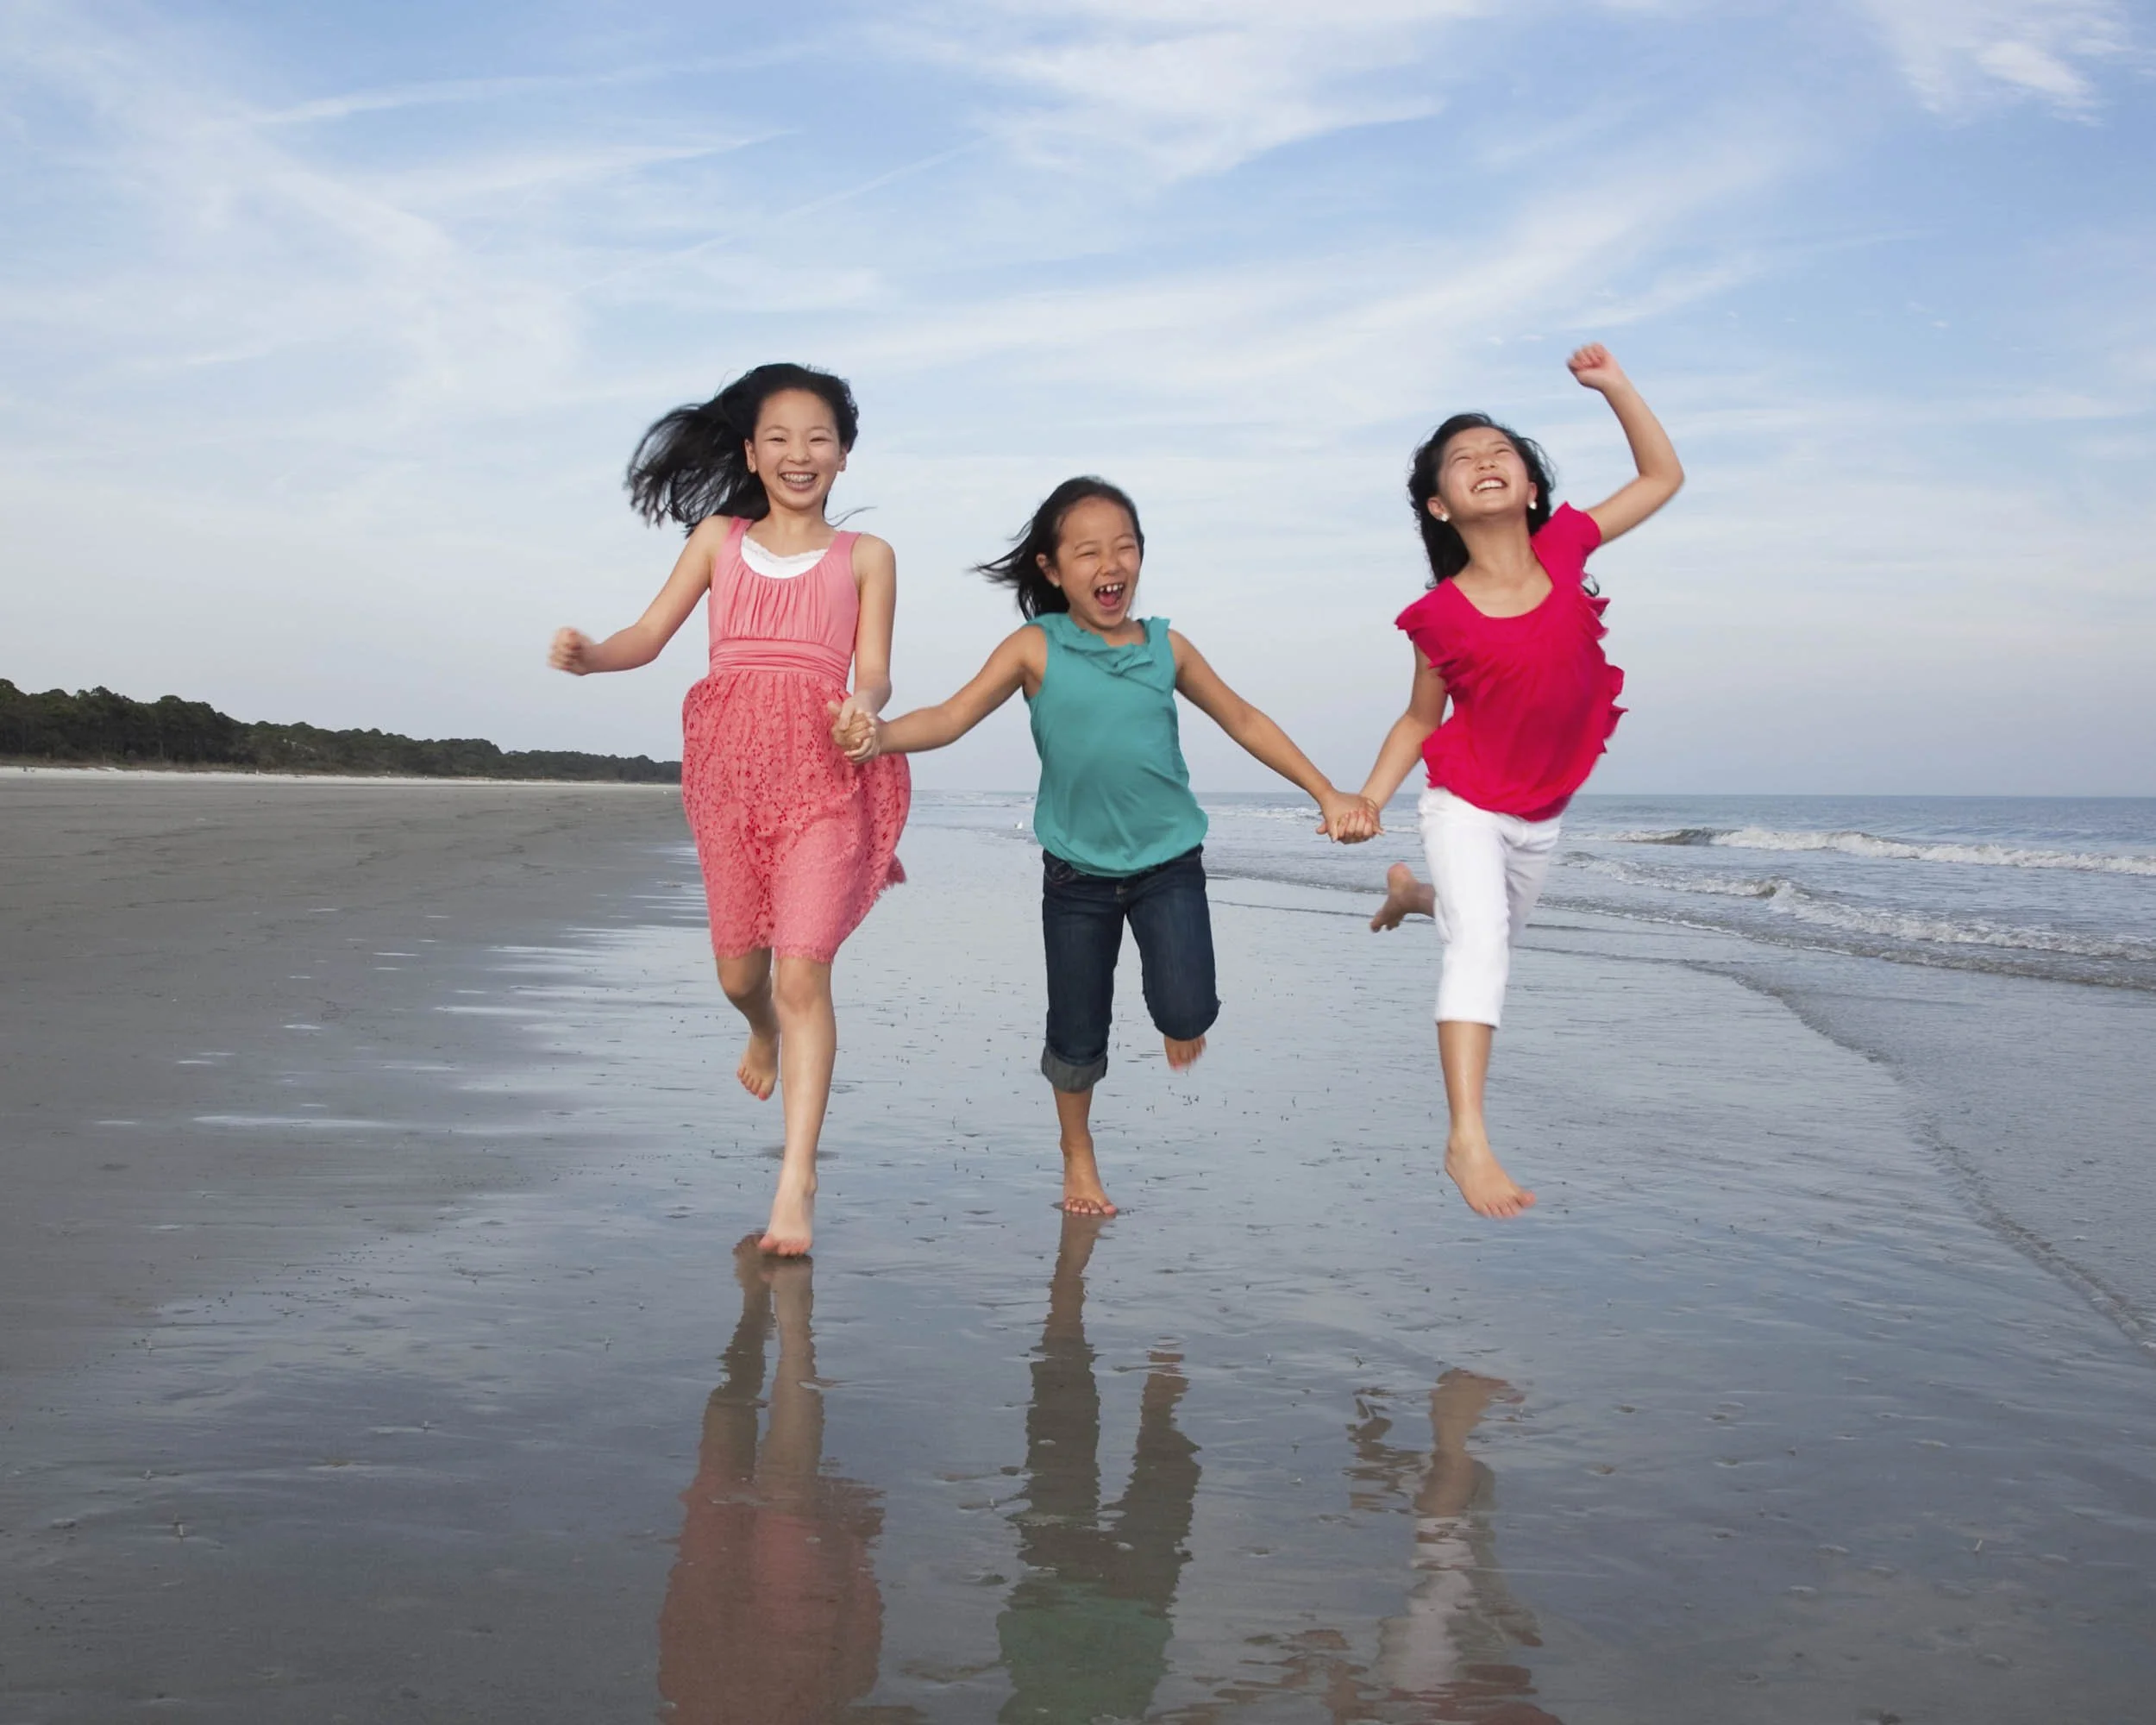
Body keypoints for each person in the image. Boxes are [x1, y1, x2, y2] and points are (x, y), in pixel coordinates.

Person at [836, 477, 1376, 1216]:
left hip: (1168, 867)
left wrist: (1327, 792)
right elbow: (953, 716)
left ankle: (1176, 1020)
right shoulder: (1036, 648)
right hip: (1076, 877)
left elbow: (1245, 720)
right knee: (1077, 1030)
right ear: (1052, 569)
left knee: (1187, 1011)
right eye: (1087, 551)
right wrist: (882, 736)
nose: (1110, 563)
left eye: (1125, 547)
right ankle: (1078, 1154)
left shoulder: (1166, 647)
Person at [550, 362, 909, 1257]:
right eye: (779, 437)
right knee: (743, 979)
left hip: (823, 774)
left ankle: (797, 1179)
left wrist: (863, 707)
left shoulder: (867, 556)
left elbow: (873, 669)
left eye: (818, 438)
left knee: (802, 974)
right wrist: (594, 656)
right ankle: (760, 1033)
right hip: (728, 776)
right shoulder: (718, 539)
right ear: (751, 453)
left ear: (844, 455)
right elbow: (648, 634)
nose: (799, 453)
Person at [1358, 344, 1683, 1220]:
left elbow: (1661, 477)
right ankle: (1466, 1136)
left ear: (1531, 488)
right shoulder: (1440, 615)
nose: (1485, 460)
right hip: (1464, 799)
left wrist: (1615, 386)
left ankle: (1410, 895)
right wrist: (1370, 798)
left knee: (1490, 925)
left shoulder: (1567, 544)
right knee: (1481, 947)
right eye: (1462, 459)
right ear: (1440, 505)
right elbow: (1418, 719)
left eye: (1500, 450)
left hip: (1540, 811)